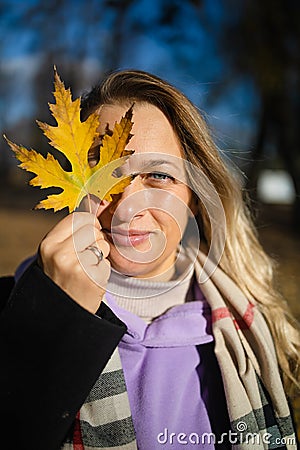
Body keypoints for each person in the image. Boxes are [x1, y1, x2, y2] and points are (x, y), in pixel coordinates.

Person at [0, 69, 299, 450]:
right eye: (102, 173)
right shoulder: (11, 313)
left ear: (196, 194)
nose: (128, 206)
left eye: (158, 175)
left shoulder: (251, 331)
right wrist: (56, 318)